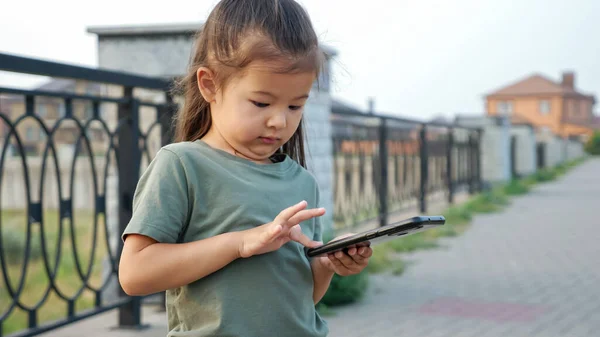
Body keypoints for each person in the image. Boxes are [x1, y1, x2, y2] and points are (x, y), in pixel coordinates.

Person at [118, 0, 372, 336]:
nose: (279, 121)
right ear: (210, 85)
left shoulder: (302, 183)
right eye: (261, 103)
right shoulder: (182, 166)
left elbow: (300, 299)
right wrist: (239, 244)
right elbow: (135, 274)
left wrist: (325, 265)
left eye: (296, 105)